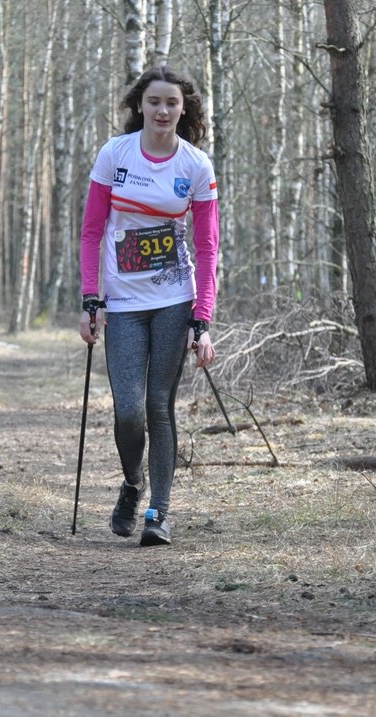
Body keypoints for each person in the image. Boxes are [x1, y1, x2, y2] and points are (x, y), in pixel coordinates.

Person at [78, 65, 220, 547]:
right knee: (128, 410)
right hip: (122, 302)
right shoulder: (114, 155)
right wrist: (91, 298)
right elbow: (92, 231)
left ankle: (159, 511)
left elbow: (208, 247)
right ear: (140, 105)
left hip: (174, 299)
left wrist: (202, 318)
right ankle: (132, 483)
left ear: (183, 109)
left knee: (159, 406)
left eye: (171, 103)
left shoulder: (196, 165)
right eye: (154, 101)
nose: (162, 110)